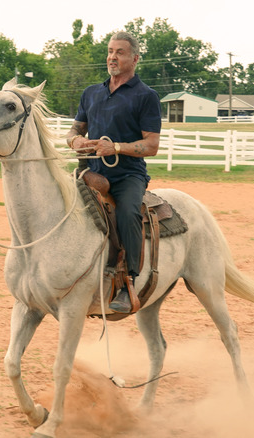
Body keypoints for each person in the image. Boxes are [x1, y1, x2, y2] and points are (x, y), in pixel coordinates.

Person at [66, 31, 161, 313]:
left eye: (120, 52)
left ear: (135, 58)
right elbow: (74, 129)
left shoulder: (146, 96)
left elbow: (152, 145)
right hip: (91, 171)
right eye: (110, 51)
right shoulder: (91, 93)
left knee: (129, 212)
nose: (112, 57)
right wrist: (75, 141)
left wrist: (116, 147)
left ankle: (127, 281)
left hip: (127, 175)